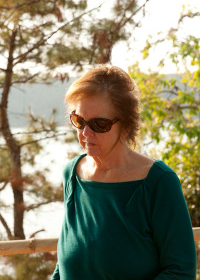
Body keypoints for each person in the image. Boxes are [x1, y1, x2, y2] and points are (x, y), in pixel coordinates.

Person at [51, 65, 196, 280]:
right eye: (79, 121)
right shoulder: (72, 174)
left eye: (99, 124)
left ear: (126, 126)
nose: (85, 133)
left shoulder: (158, 182)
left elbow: (180, 271)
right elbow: (65, 265)